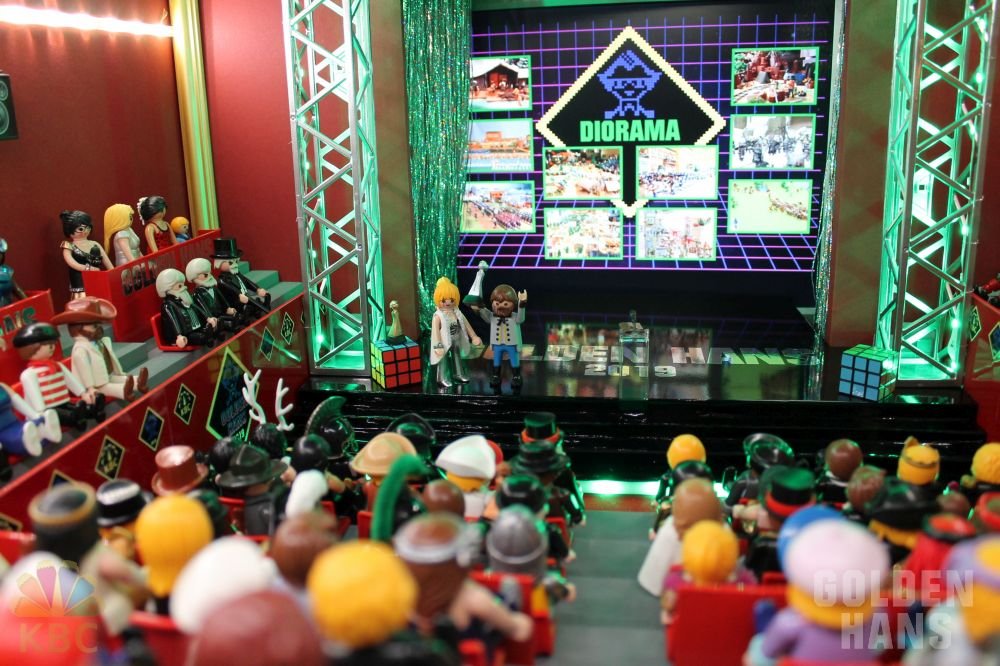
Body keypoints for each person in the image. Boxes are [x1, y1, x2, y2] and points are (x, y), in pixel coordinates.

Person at [53, 297, 148, 402]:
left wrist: (118, 372)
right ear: (79, 328)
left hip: (104, 376)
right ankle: (124, 391)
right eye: (94, 326)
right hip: (94, 384)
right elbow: (84, 370)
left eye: (98, 324)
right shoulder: (80, 349)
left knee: (118, 379)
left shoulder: (98, 342)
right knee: (107, 387)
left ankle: (138, 382)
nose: (98, 328)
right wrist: (90, 387)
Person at [14, 322, 105, 429]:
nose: (52, 347)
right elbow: (34, 395)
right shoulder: (29, 374)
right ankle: (76, 418)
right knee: (66, 413)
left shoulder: (57, 366)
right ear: (31, 349)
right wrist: (41, 411)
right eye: (46, 344)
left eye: (52, 343)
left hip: (62, 402)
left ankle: (93, 411)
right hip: (47, 409)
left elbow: (71, 381)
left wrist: (83, 393)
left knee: (76, 407)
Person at [470, 283, 527, 389]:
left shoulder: (515, 317)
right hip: (497, 344)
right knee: (496, 360)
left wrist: (522, 304)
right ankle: (496, 375)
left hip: (511, 344)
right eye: (497, 303)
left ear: (513, 304)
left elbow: (521, 318)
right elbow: (484, 313)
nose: (500, 306)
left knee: (514, 360)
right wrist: (478, 307)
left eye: (505, 304)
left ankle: (516, 376)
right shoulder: (492, 317)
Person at [430, 277, 481, 387]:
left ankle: (458, 374)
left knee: (457, 356)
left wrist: (474, 336)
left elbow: (466, 324)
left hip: (456, 339)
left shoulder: (457, 313)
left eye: (452, 300)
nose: (448, 303)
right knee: (442, 359)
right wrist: (437, 345)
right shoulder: (438, 316)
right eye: (444, 300)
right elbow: (435, 333)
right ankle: (441, 378)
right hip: (443, 341)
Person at [155, 268, 219, 347]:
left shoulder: (184, 299)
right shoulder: (168, 305)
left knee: (214, 328)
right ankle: (208, 338)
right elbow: (174, 321)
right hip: (184, 335)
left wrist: (208, 318)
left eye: (183, 284)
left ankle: (211, 334)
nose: (184, 287)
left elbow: (197, 308)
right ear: (167, 288)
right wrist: (179, 335)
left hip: (195, 329)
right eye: (180, 286)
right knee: (202, 337)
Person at [211, 237, 271, 321]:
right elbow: (231, 290)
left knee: (260, 302)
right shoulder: (222, 280)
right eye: (230, 263)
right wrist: (239, 295)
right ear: (219, 263)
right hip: (235, 304)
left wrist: (257, 289)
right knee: (247, 308)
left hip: (246, 299)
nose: (235, 265)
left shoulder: (237, 273)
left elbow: (247, 281)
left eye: (236, 261)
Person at [59, 210, 113, 300]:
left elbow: (107, 263)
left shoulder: (95, 244)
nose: (85, 231)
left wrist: (113, 273)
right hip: (80, 285)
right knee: (83, 304)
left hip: (97, 281)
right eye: (80, 229)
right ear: (69, 230)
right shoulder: (68, 246)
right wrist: (88, 268)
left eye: (88, 228)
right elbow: (71, 263)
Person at [186, 257, 240, 333]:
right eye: (205, 275)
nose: (209, 276)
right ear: (194, 278)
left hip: (221, 313)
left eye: (210, 273)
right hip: (213, 318)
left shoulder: (213, 287)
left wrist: (228, 307)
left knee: (235, 317)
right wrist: (209, 317)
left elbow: (222, 298)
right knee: (223, 323)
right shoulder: (197, 294)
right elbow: (203, 307)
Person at [0, 238, 27, 307]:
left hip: (8, 310)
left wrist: (30, 303)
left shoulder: (6, 271)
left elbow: (17, 290)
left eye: (0, 253)